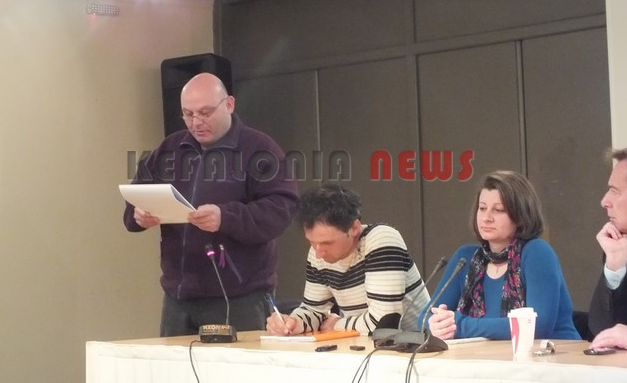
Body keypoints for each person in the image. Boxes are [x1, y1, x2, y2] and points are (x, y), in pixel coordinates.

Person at [123, 72, 299, 336]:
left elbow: (281, 208)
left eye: (205, 113)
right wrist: (138, 216)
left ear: (229, 104)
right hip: (178, 297)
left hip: (241, 296)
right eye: (188, 114)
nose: (196, 122)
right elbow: (135, 198)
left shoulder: (259, 149)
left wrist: (225, 218)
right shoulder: (170, 149)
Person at [421, 170, 580, 340]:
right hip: (490, 356)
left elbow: (536, 326)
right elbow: (424, 318)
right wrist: (436, 325)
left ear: (520, 216)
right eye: (482, 208)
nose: (486, 218)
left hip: (555, 354)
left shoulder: (537, 253)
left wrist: (460, 325)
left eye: (498, 210)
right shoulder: (465, 258)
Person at [265, 184, 430, 335]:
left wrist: (337, 325)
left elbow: (383, 323)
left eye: (328, 243)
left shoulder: (382, 240)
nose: (318, 253)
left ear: (354, 228)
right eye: (312, 242)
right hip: (366, 345)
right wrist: (293, 323)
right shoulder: (318, 252)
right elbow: (314, 310)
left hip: (416, 345)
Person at [589, 148, 627, 350]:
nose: (604, 201)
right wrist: (615, 264)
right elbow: (602, 331)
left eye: (615, 191)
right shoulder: (621, 244)